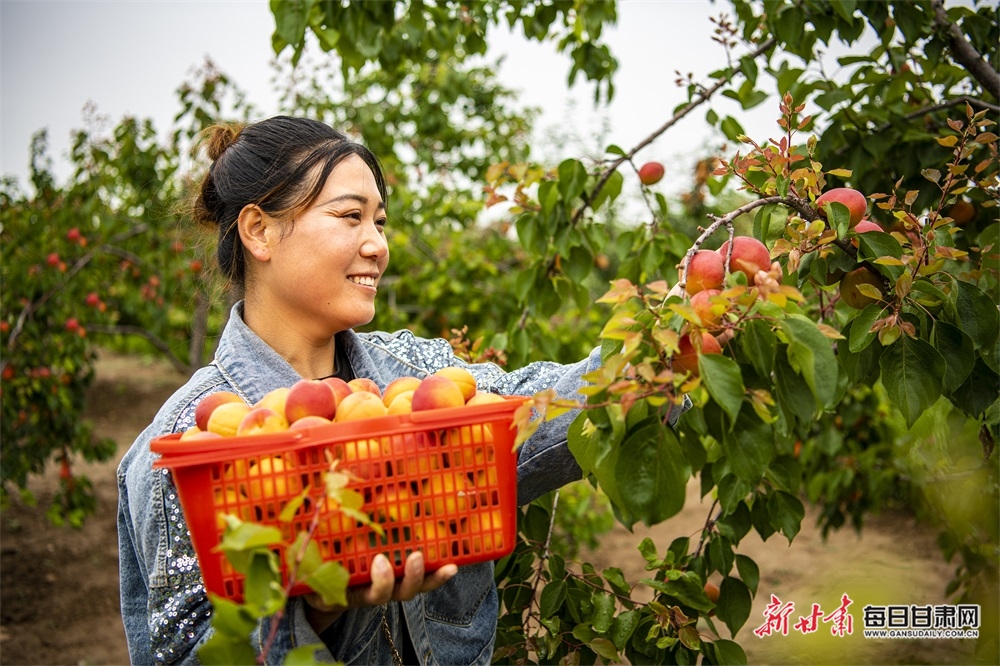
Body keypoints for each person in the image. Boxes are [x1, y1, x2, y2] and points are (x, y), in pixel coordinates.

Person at [116, 115, 689, 665]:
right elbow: (193, 654)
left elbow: (534, 412)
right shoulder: (187, 443)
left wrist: (663, 348)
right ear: (260, 231)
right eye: (350, 217)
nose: (377, 245)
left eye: (380, 222)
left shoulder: (413, 371)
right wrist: (314, 613)